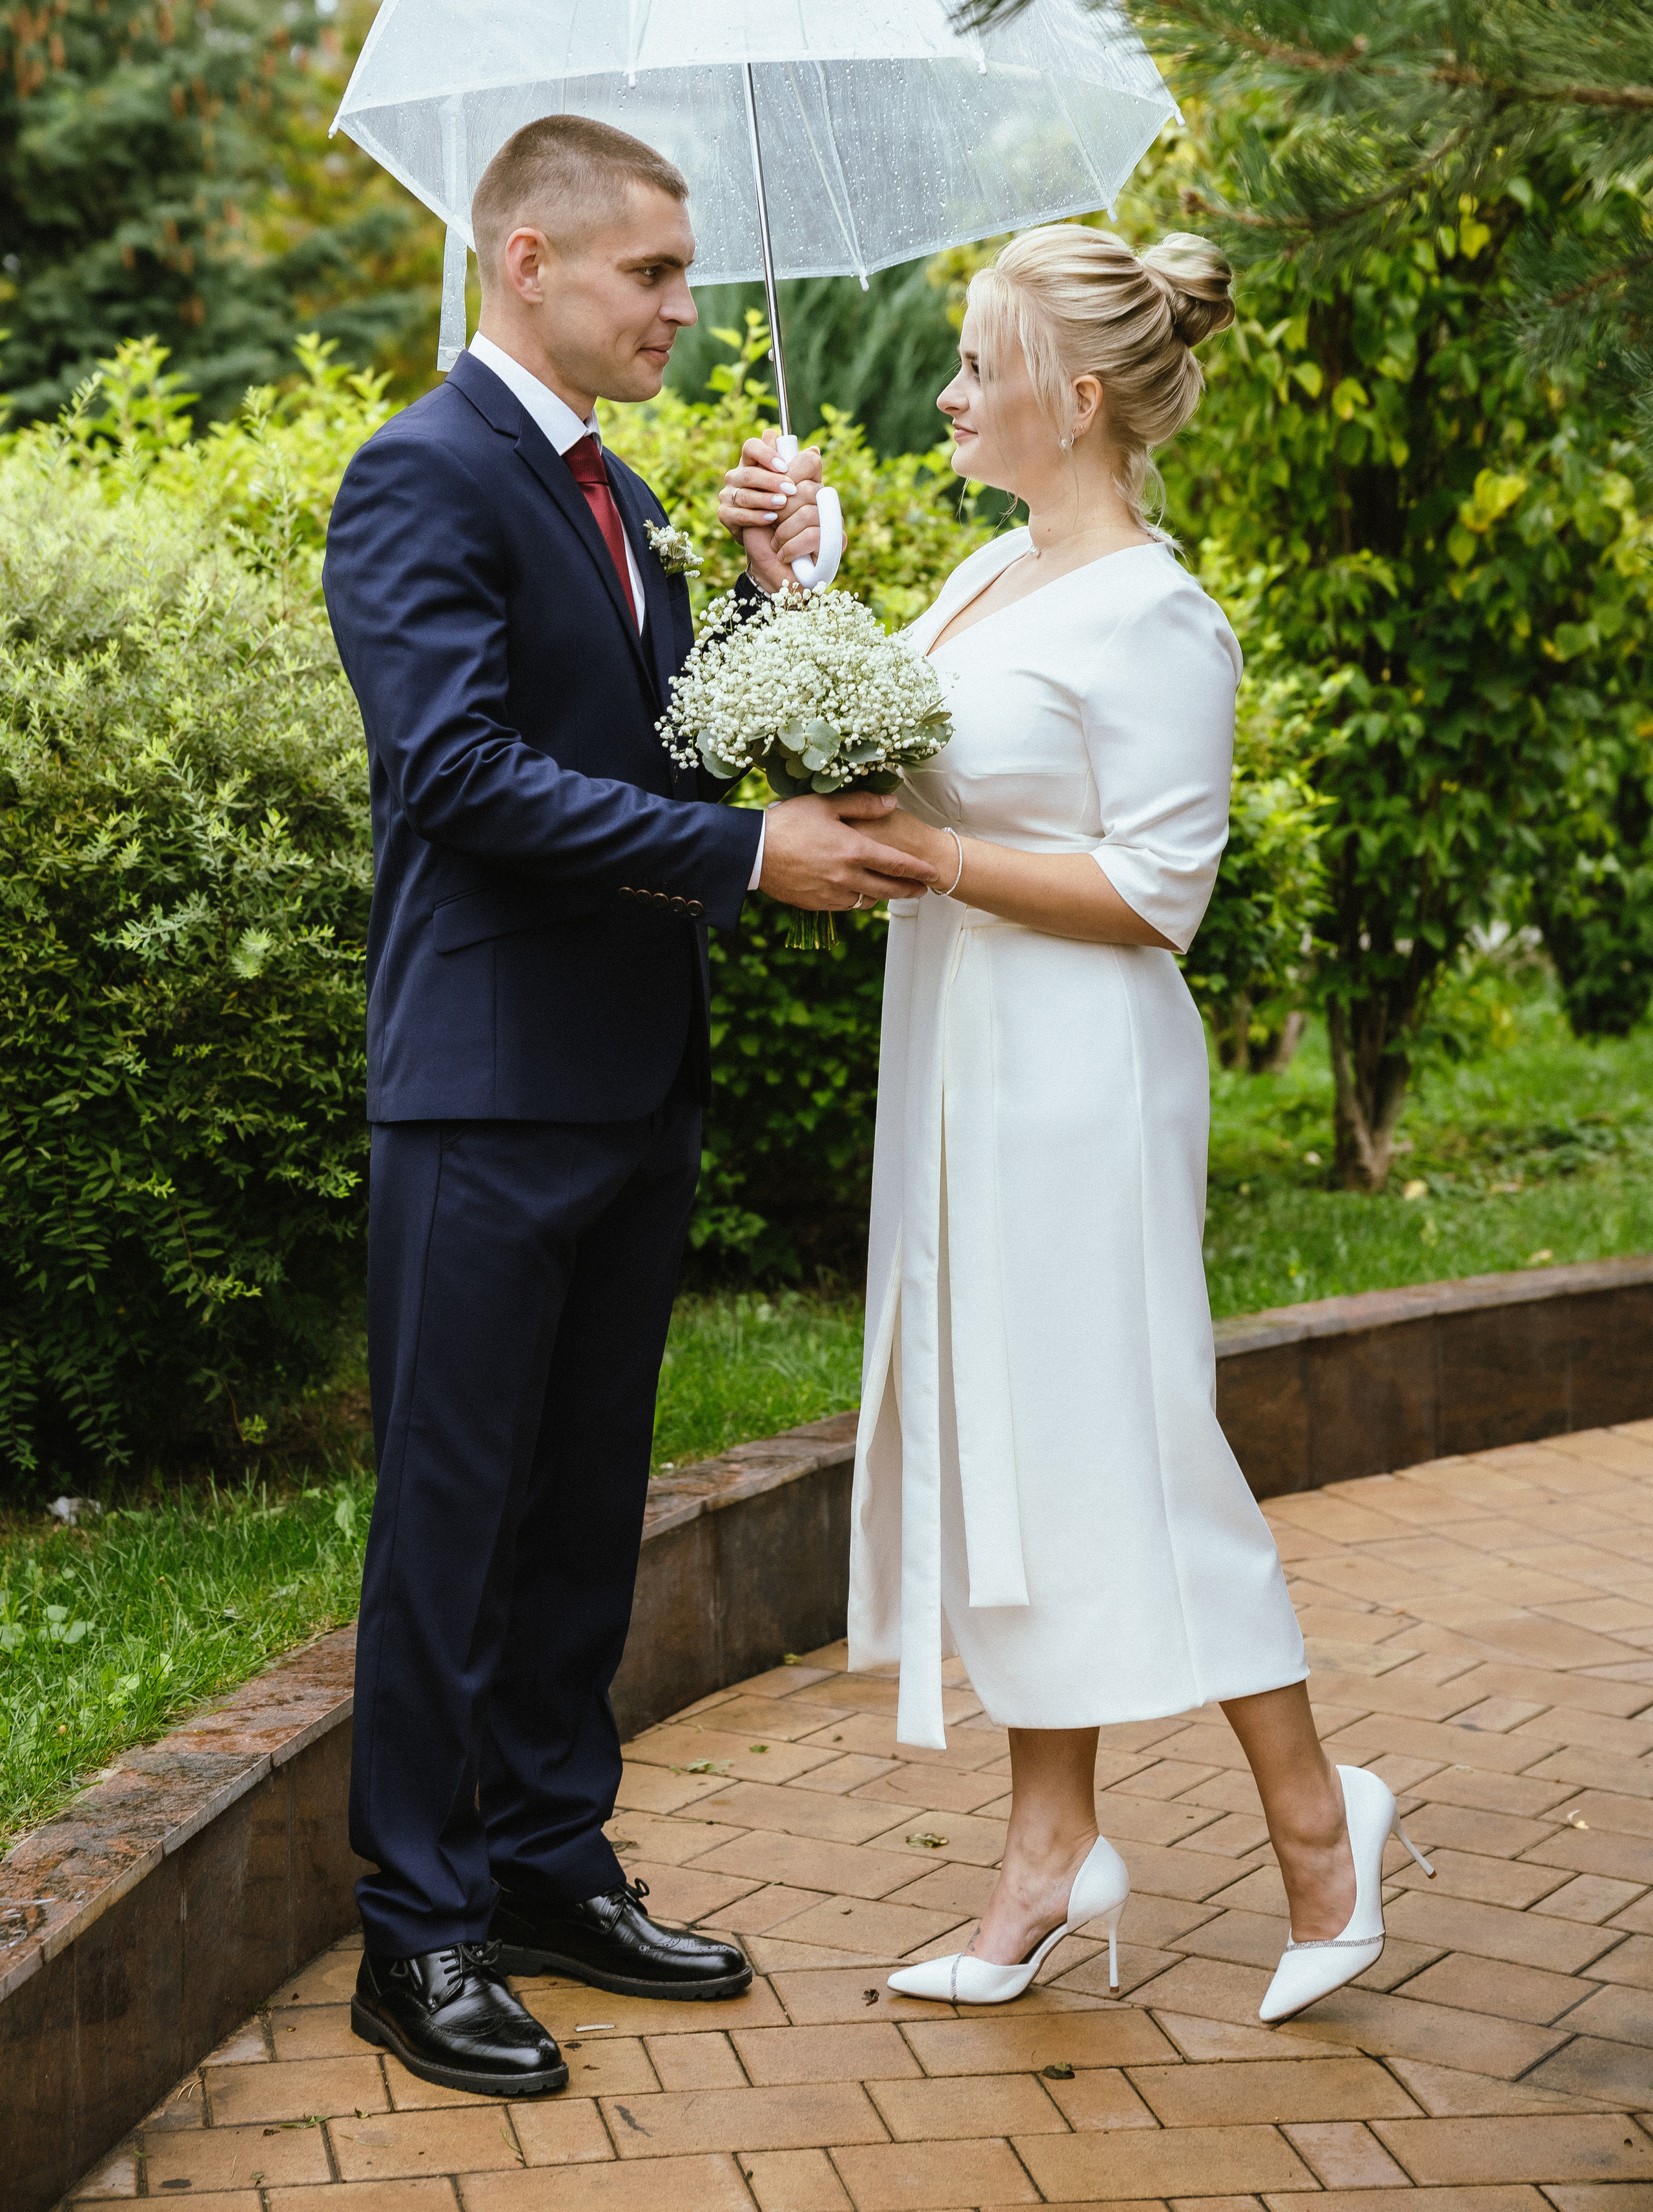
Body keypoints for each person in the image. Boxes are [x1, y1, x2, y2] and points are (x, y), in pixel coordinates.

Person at [718, 223, 1432, 2025]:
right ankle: (1050, 1858)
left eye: (979, 362)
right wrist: (803, 594)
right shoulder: (980, 576)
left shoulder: (1158, 613)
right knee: (1008, 1452)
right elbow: (894, 756)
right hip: (962, 1056)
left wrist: (937, 858)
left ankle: (1316, 1826)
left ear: (1082, 394)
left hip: (1084, 1080)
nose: (949, 390)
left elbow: (1159, 890)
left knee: (1135, 1446)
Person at [322, 113, 934, 2100]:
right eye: (649, 273)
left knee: (584, 1508)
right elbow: (460, 776)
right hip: (484, 1095)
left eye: (681, 274)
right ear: (526, 259)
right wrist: (753, 859)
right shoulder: (422, 473)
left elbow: (672, 748)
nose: (679, 305)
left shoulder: (619, 489)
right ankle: (412, 1936)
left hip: (624, 1078)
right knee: (451, 1521)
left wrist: (768, 590)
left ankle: (545, 1868)